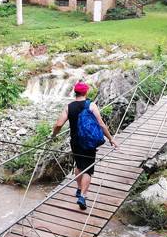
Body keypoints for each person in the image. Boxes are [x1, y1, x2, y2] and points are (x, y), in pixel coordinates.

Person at [51, 82, 118, 210]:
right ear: (86, 92)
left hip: (75, 141)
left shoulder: (68, 106)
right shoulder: (91, 105)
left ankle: (78, 188)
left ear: (74, 92)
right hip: (89, 142)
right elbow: (102, 125)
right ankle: (82, 196)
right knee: (88, 169)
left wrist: (53, 135)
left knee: (79, 164)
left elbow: (59, 124)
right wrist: (111, 139)